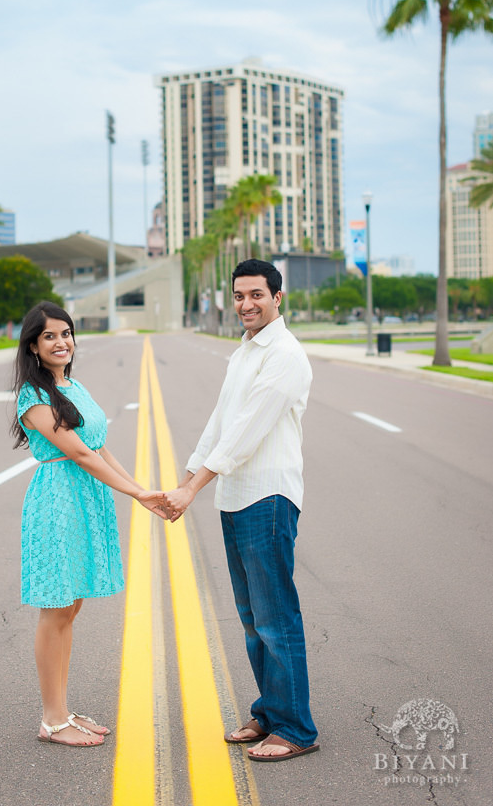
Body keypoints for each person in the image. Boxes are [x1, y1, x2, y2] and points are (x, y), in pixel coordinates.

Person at [164, 260, 319, 762]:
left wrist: (194, 489)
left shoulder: (286, 356)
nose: (246, 304)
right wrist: (187, 483)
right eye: (239, 296)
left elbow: (248, 431)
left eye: (257, 295)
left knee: (276, 619)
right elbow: (220, 422)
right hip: (235, 497)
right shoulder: (244, 353)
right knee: (253, 620)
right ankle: (271, 713)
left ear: (278, 298)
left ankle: (296, 729)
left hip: (268, 499)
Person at [11, 302, 167, 748]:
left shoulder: (74, 385)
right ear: (33, 346)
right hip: (60, 500)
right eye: (49, 336)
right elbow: (78, 454)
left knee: (71, 608)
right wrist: (137, 495)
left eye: (66, 333)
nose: (61, 342)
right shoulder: (32, 396)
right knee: (56, 607)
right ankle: (52, 719)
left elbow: (99, 446)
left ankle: (61, 709)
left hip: (88, 498)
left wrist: (142, 490)